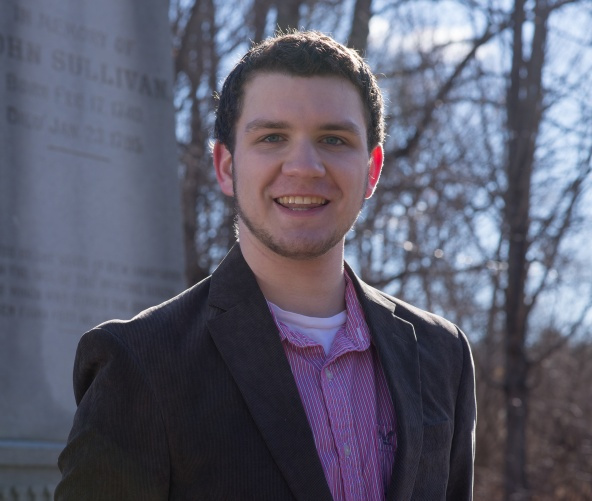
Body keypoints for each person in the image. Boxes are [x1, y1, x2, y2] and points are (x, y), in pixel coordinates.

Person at [55, 30, 476, 501]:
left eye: (333, 139)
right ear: (225, 167)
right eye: (272, 137)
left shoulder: (442, 354)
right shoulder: (139, 363)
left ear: (372, 170)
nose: (304, 166)